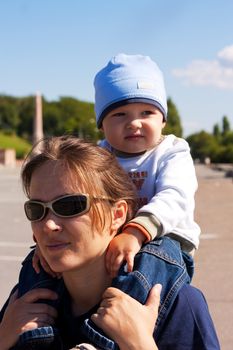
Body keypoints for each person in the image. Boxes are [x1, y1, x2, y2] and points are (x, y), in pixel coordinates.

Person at [0, 136, 220, 350]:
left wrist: (139, 344)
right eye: (37, 210)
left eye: (70, 205)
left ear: (117, 215)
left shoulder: (178, 302)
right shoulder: (23, 301)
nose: (48, 225)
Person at [94, 53, 201, 277]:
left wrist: (136, 231)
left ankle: (126, 308)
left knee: (144, 264)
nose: (134, 122)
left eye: (147, 113)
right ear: (101, 125)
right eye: (120, 114)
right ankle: (33, 306)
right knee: (44, 257)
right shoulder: (98, 155)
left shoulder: (173, 152)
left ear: (163, 120)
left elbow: (175, 195)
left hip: (168, 240)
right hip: (112, 238)